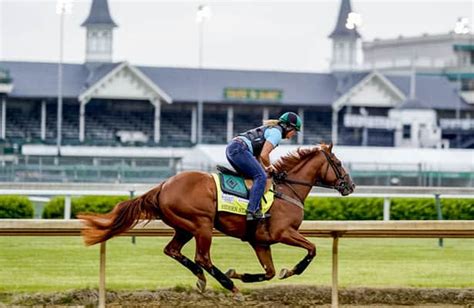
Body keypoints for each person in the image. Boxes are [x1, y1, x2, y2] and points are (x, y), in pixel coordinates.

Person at [225, 111, 302, 221]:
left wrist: (265, 168)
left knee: (255, 176)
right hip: (239, 149)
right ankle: (252, 211)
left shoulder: (272, 129)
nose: (293, 135)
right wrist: (270, 167)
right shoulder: (277, 133)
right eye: (295, 131)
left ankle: (243, 207)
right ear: (288, 127)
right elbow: (264, 155)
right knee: (261, 177)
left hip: (234, 148)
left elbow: (258, 157)